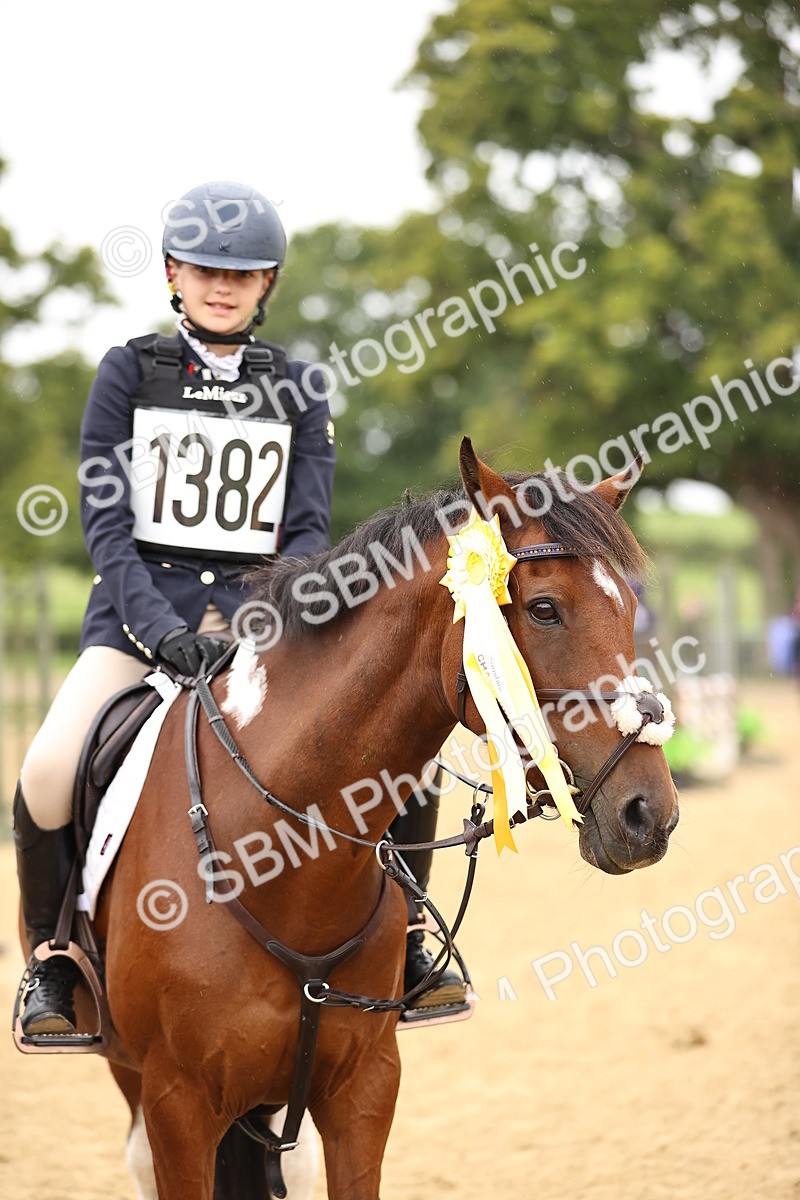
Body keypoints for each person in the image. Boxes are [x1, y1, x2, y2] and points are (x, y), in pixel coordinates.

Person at [13, 180, 463, 1036]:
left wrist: (254, 627)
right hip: (140, 626)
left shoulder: (299, 386)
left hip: (266, 630)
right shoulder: (127, 373)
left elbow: (305, 532)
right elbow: (106, 530)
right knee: (47, 769)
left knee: (414, 762)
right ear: (174, 275)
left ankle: (408, 940)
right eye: (205, 270)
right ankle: (53, 964)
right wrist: (166, 632)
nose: (223, 286)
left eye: (244, 273)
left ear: (267, 286)